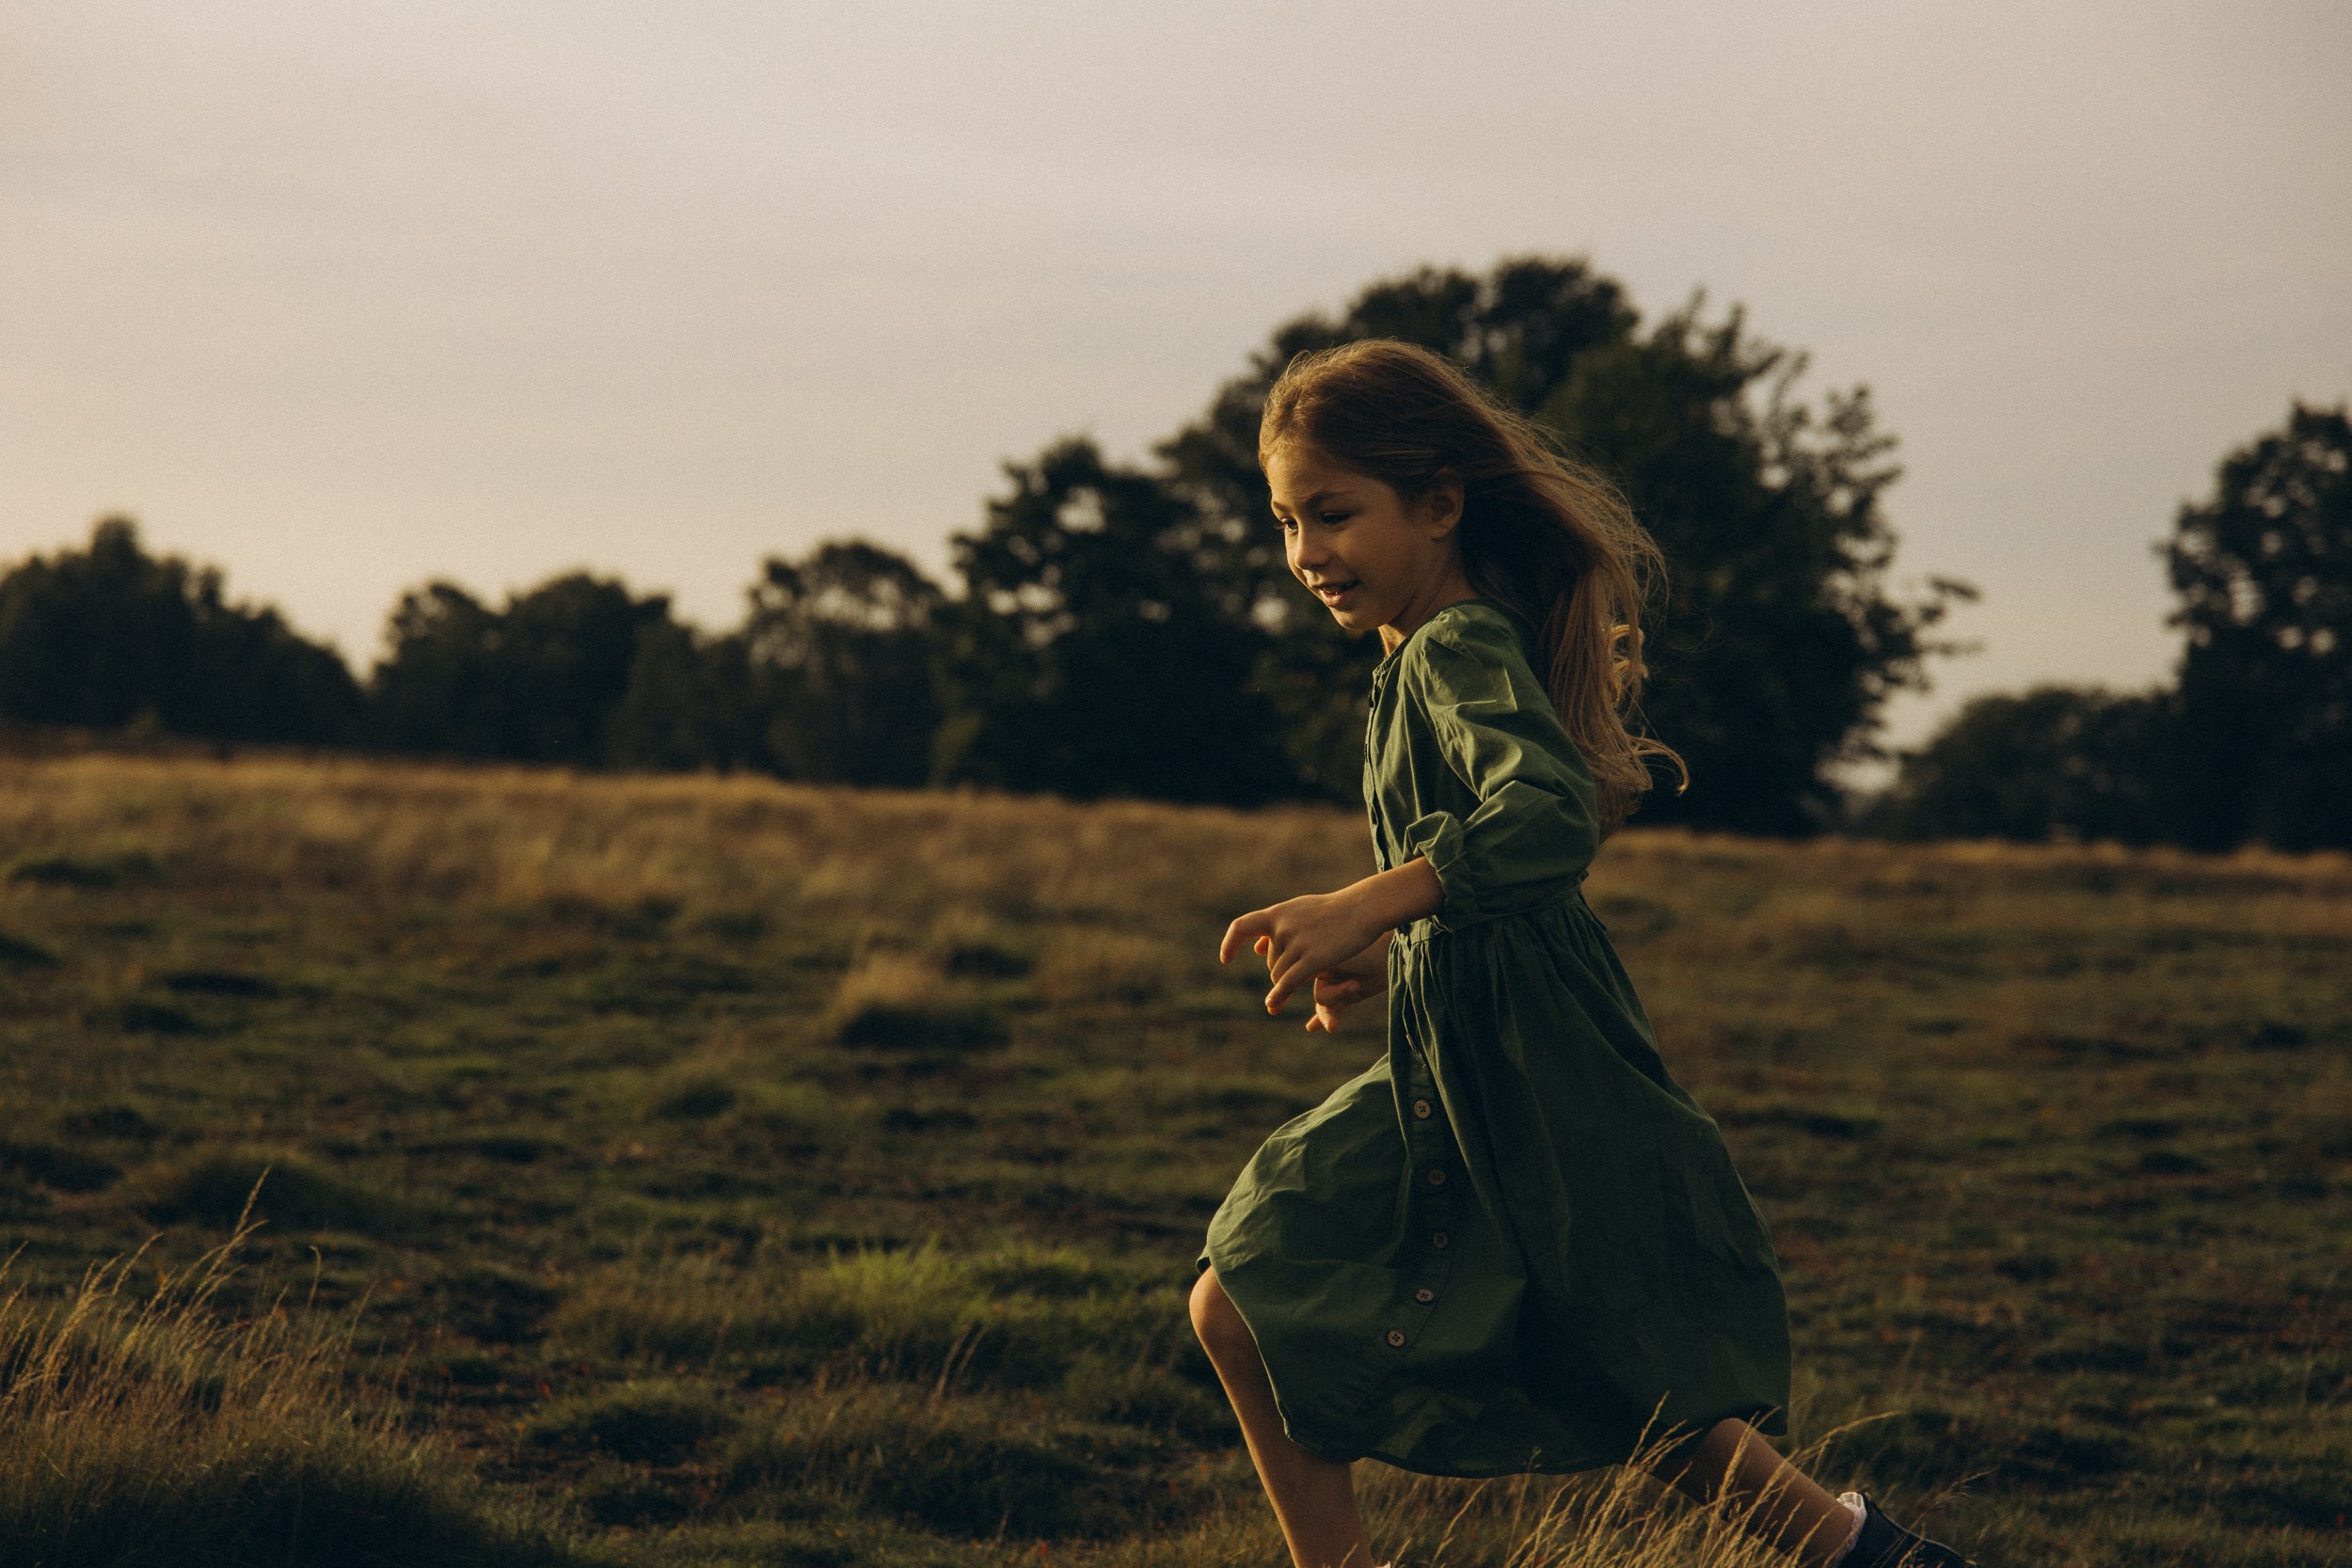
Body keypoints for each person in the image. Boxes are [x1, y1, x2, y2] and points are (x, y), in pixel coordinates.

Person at [1191, 340, 1978, 1568]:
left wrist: (1372, 901)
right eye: (1287, 523)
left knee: (1615, 1378)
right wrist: (1384, 948)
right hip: (1465, 1054)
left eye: (1334, 515)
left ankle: (1862, 1557)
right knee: (1593, 1372)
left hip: (1530, 1068)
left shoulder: (1453, 646)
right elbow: (1481, 882)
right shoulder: (1411, 660)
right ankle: (1863, 1558)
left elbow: (1550, 814)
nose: (1307, 555)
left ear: (1440, 505)